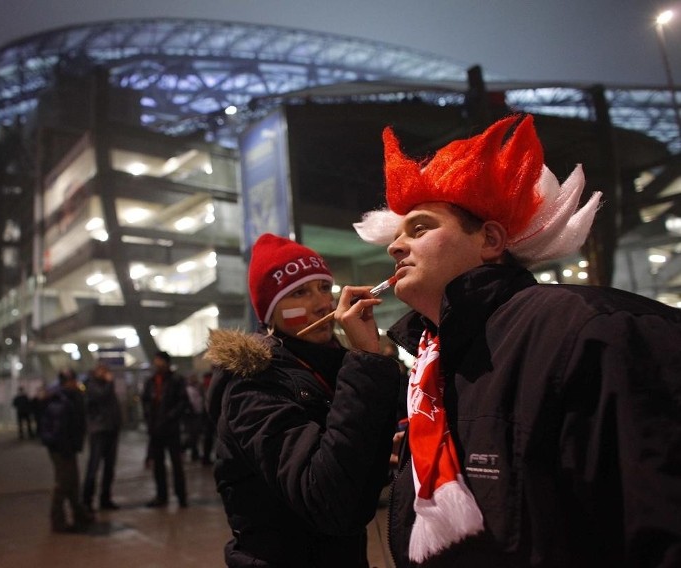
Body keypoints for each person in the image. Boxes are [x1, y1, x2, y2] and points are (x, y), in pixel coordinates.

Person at [351, 113, 681, 566]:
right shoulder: (436, 360)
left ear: (489, 239)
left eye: (420, 228)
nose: (394, 246)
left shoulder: (593, 330)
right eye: (397, 233)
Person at [204, 233, 403, 568]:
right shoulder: (253, 383)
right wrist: (365, 362)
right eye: (299, 293)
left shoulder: (336, 365)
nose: (322, 303)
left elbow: (352, 473)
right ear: (269, 312)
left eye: (324, 288)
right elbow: (328, 498)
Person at [39, 368, 95, 533]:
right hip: (61, 447)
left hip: (68, 446)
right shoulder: (61, 400)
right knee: (63, 483)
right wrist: (65, 447)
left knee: (73, 482)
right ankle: (58, 520)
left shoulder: (71, 396)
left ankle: (79, 514)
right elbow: (59, 429)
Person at [140, 351, 190, 508]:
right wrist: (150, 419)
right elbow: (146, 401)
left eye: (159, 361)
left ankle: (181, 496)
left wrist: (170, 417)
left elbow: (183, 402)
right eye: (156, 361)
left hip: (171, 428)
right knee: (158, 464)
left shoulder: (176, 380)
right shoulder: (151, 381)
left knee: (176, 464)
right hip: (156, 429)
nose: (157, 364)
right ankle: (161, 496)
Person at [82, 363, 123, 511]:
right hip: (98, 430)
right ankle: (87, 500)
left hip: (111, 429)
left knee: (109, 467)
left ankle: (105, 498)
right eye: (102, 371)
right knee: (94, 466)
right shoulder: (92, 385)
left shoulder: (106, 386)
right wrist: (110, 382)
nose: (106, 374)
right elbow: (101, 396)